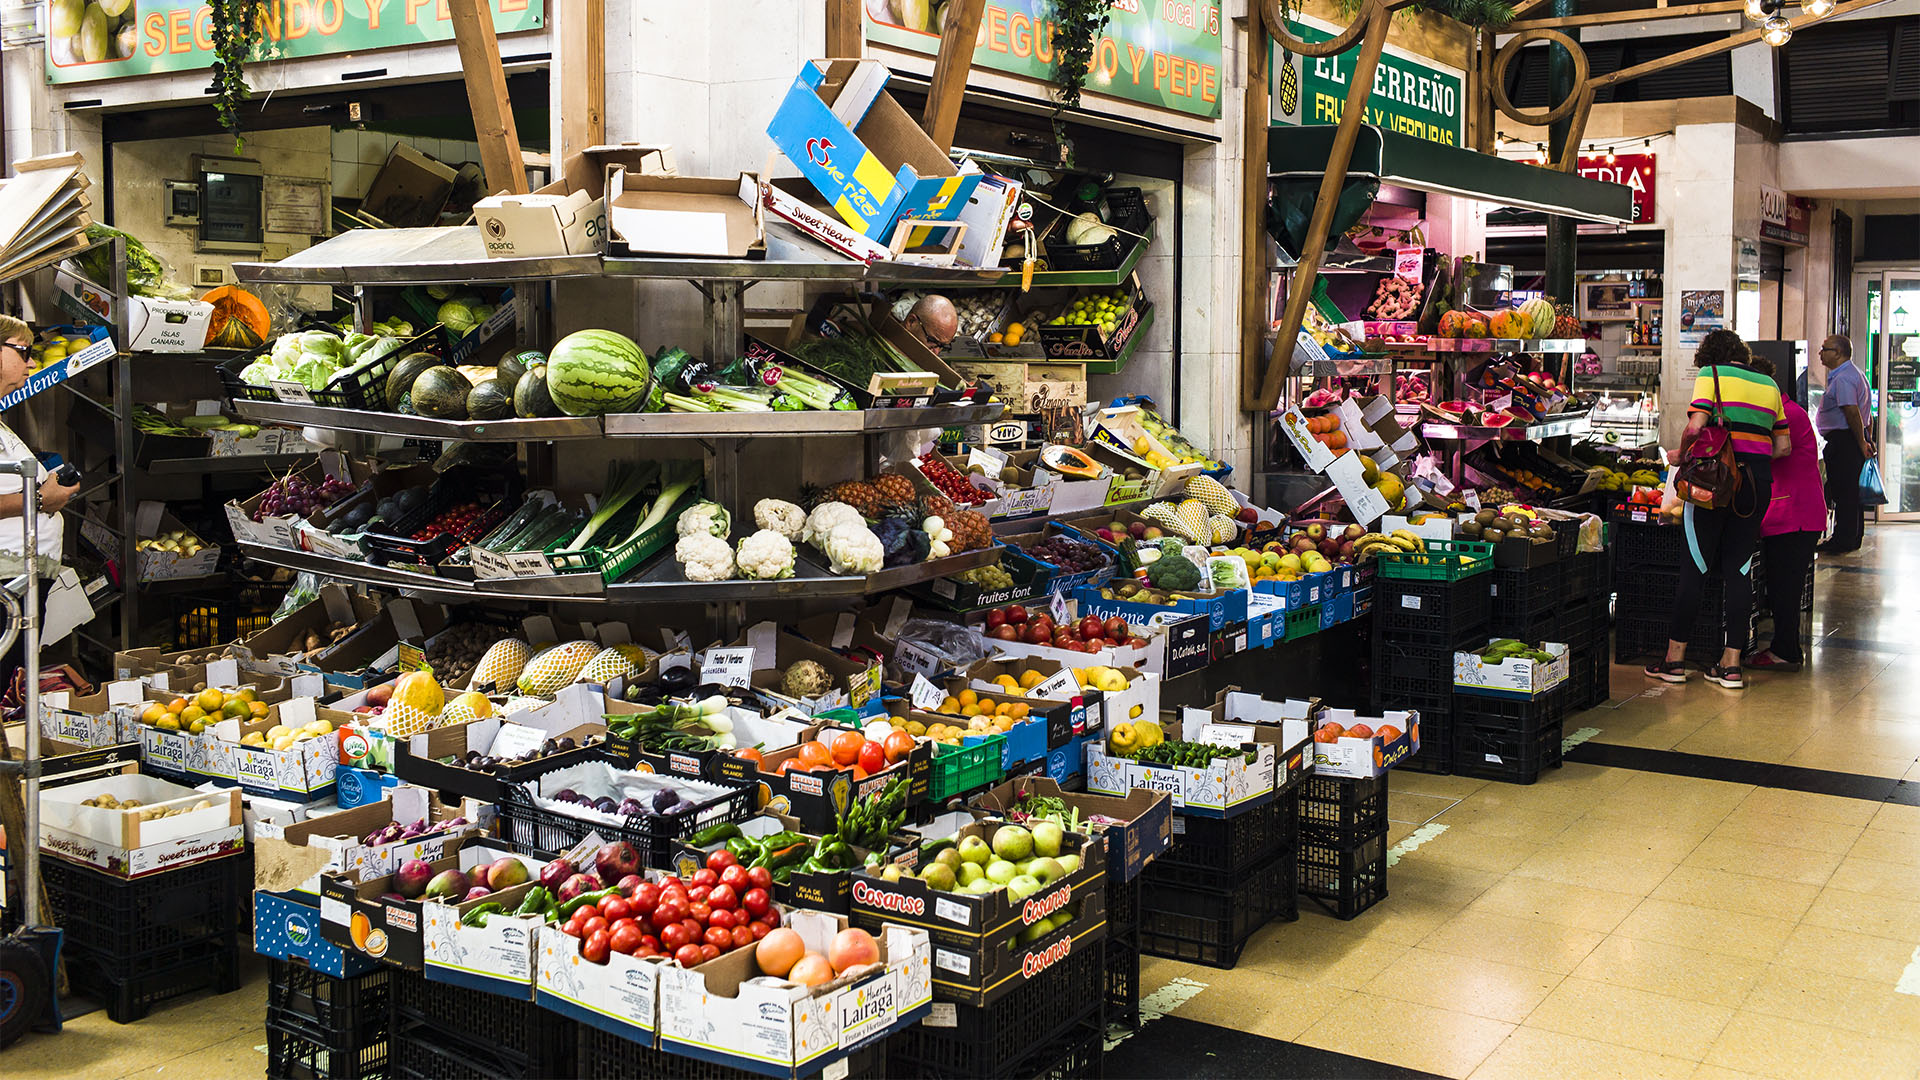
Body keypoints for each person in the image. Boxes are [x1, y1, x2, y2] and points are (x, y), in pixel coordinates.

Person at [1645, 330, 1789, 689]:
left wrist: (1680, 455)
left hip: (1713, 483)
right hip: (1756, 486)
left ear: (1709, 355)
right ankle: (1731, 666)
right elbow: (1783, 445)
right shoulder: (1770, 384)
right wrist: (1750, 459)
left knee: (1695, 567)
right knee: (1740, 569)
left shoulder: (1711, 374)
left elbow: (1696, 425)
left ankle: (1674, 660)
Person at [0, 315, 79, 707]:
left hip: (22, 580)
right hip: (5, 586)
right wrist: (40, 500)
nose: (32, 363)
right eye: (24, 352)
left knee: (13, 685)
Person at [1744, 355, 1822, 672]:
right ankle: (1784, 647)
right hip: (1788, 512)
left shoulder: (1787, 414)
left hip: (1795, 514)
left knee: (1784, 587)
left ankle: (1786, 651)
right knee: (1780, 584)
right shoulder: (1786, 410)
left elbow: (1779, 449)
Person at [1814, 333, 1873, 554]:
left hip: (1845, 441)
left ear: (1837, 352)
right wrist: (1868, 438)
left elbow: (1852, 411)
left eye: (1824, 349)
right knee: (1850, 492)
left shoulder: (1843, 378)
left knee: (1844, 492)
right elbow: (1868, 415)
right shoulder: (1855, 374)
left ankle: (1844, 539)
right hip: (1851, 439)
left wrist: (1860, 442)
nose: (1820, 353)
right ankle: (1852, 536)